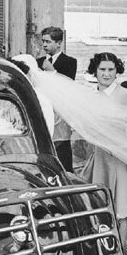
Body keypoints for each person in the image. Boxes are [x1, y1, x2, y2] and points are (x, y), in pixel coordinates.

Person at [84, 52, 127, 253]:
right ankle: (104, 252)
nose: (107, 74)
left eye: (111, 69)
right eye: (102, 69)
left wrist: (123, 142)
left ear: (117, 71)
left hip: (120, 159)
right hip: (100, 158)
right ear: (95, 70)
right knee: (100, 208)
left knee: (121, 212)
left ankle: (120, 253)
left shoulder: (124, 95)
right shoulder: (91, 96)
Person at [37, 26, 77, 172]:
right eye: (43, 41)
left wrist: (52, 72)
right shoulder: (38, 61)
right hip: (45, 111)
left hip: (60, 114)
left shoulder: (70, 62)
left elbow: (68, 86)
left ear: (59, 43)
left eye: (48, 41)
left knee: (62, 150)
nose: (44, 45)